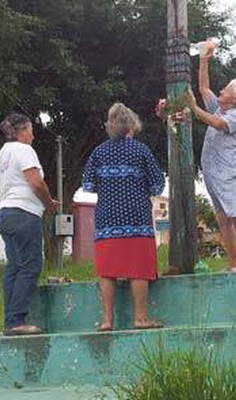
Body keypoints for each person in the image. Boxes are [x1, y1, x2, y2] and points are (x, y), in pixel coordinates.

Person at [82, 102, 165, 331]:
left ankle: (107, 320)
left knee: (107, 271)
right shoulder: (141, 150)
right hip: (137, 215)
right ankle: (140, 319)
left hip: (107, 216)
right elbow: (158, 185)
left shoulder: (98, 152)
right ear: (131, 126)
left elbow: (88, 185)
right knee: (138, 268)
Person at [187, 41, 236, 271]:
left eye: (226, 89)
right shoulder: (219, 107)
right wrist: (204, 60)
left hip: (231, 173)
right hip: (215, 176)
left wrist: (194, 109)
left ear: (234, 99)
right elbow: (204, 88)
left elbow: (216, 124)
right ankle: (233, 262)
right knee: (223, 220)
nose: (221, 90)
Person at [0, 113, 60, 336]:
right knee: (31, 265)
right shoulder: (24, 150)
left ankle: (10, 319)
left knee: (14, 266)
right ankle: (16, 321)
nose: (33, 135)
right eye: (31, 130)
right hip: (24, 212)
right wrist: (49, 202)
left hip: (4, 212)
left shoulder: (3, 153)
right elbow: (35, 182)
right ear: (22, 131)